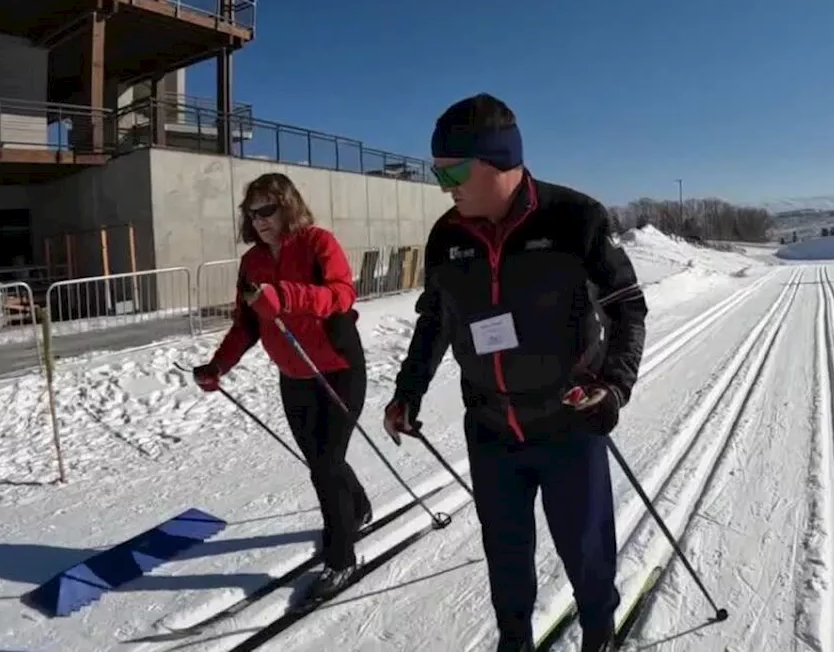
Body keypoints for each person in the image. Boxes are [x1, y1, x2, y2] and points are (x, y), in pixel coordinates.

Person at [383, 93, 648, 652]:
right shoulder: (447, 236)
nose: (444, 186)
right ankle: (513, 640)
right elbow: (435, 319)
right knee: (505, 552)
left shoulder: (574, 218)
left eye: (452, 171)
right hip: (490, 426)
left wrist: (615, 387)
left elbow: (627, 305)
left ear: (499, 161)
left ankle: (599, 629)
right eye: (437, 173)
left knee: (585, 546)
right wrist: (409, 390)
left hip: (567, 422)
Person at [192, 172, 372, 594]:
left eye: (267, 209)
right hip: (295, 377)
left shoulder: (317, 243)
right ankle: (358, 507)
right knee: (322, 462)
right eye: (252, 213)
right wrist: (218, 366)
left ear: (288, 205)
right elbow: (247, 325)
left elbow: (342, 295)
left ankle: (341, 557)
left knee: (326, 467)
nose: (259, 220)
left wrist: (287, 295)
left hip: (338, 370)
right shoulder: (252, 263)